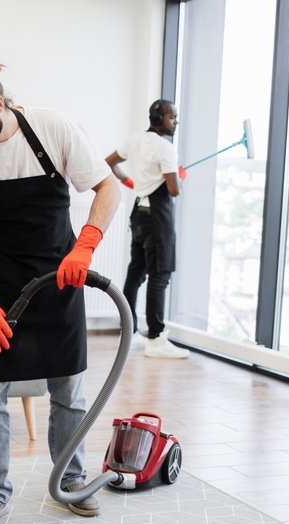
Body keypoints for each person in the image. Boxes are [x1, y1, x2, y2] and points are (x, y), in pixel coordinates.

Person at [0, 51, 120, 524]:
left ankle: (71, 479)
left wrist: (86, 246)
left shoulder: (53, 128)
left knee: (69, 390)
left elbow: (107, 188)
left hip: (61, 279)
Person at [106, 99, 189, 359]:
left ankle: (128, 331)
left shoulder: (136, 140)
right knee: (159, 276)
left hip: (139, 213)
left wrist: (128, 181)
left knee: (136, 274)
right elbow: (174, 190)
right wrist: (178, 176)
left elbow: (109, 162)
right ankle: (156, 340)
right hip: (157, 218)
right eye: (172, 117)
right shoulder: (166, 148)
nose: (175, 122)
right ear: (158, 117)